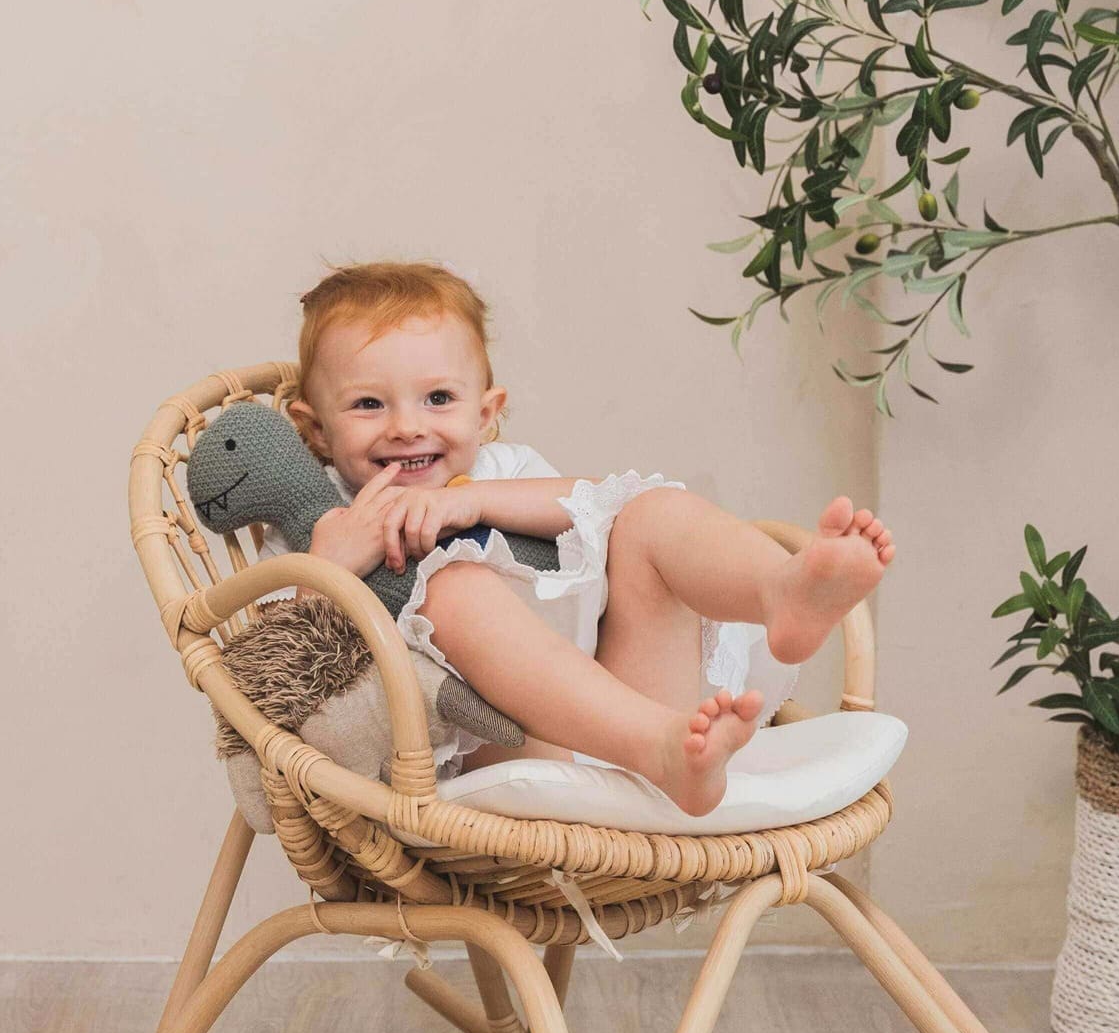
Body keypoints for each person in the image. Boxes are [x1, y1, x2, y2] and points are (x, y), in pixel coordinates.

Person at [260, 261, 895, 816]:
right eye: (369, 404)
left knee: (644, 510)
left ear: (485, 414)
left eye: (438, 398)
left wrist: (471, 501)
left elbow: (596, 502)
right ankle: (661, 748)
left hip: (638, 713)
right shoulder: (322, 521)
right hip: (496, 768)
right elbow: (271, 674)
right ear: (314, 432)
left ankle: (781, 588)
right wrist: (329, 565)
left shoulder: (496, 474)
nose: (405, 427)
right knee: (453, 592)